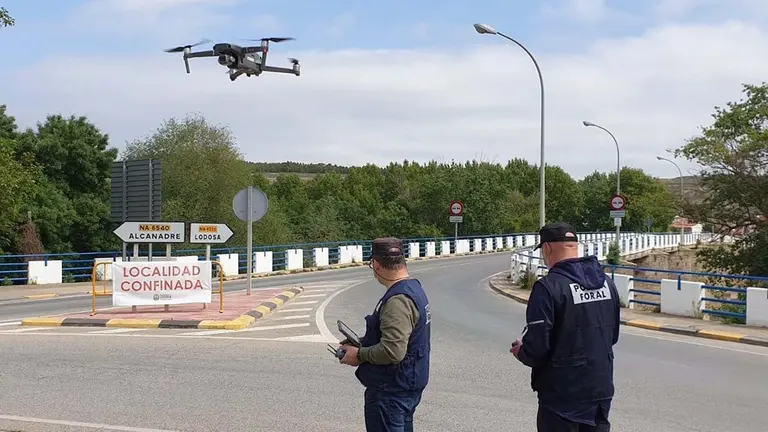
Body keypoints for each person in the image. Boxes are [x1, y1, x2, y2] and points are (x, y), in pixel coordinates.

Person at [509, 222, 621, 432]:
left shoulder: (548, 287)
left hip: (561, 395)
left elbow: (536, 350)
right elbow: (612, 336)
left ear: (546, 248)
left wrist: (521, 351)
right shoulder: (607, 283)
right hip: (600, 389)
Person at [337, 237, 432, 432]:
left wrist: (359, 355)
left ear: (376, 265)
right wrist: (362, 342)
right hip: (406, 384)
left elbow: (393, 351)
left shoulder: (398, 300)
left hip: (390, 390)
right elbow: (402, 337)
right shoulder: (414, 288)